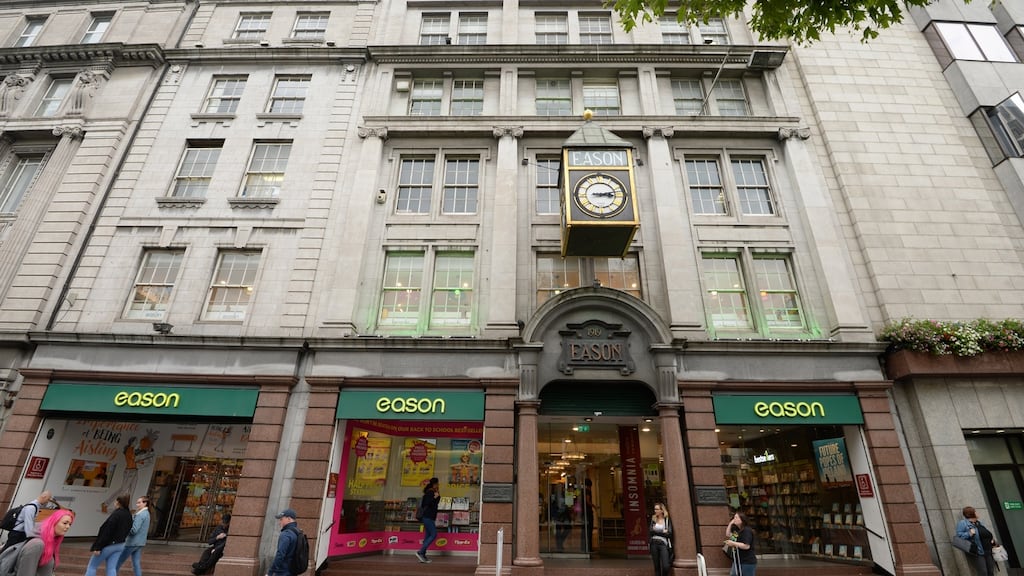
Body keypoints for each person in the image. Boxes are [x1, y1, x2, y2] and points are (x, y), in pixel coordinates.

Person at [0, 508, 74, 576]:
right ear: (53, 522)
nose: (68, 527)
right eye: (65, 523)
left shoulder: (48, 543)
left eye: (70, 524)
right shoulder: (37, 545)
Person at [85, 493, 132, 576]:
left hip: (109, 545)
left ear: (118, 502)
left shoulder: (116, 514)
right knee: (111, 568)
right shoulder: (128, 515)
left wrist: (98, 547)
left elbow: (107, 531)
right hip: (120, 544)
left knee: (92, 566)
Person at [956, 506, 997, 576]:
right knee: (983, 572)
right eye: (975, 511)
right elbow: (959, 536)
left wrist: (991, 540)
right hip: (978, 552)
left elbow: (985, 534)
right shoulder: (963, 523)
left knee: (990, 571)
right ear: (971, 513)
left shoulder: (979, 523)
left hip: (988, 550)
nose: (977, 513)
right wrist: (969, 533)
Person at [116, 496, 150, 576]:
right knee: (136, 563)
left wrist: (124, 528)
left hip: (132, 543)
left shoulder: (140, 515)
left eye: (139, 502)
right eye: (137, 502)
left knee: (118, 562)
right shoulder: (146, 513)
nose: (137, 504)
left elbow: (134, 530)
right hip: (139, 543)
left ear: (145, 503)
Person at [266, 509, 299, 576]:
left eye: (281, 519)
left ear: (289, 519)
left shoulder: (286, 534)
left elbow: (280, 554)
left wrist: (270, 572)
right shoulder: (298, 532)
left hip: (282, 571)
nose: (279, 522)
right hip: (293, 570)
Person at [416, 477, 440, 564]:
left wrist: (436, 497)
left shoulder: (431, 492)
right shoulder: (430, 492)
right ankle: (420, 552)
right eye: (437, 483)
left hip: (429, 517)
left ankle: (423, 555)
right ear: (435, 484)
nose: (438, 485)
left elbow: (434, 503)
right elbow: (428, 503)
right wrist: (435, 497)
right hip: (428, 516)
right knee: (433, 534)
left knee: (427, 536)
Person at [724, 511, 756, 576]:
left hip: (747, 561)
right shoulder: (737, 530)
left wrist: (733, 543)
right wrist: (730, 523)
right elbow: (728, 534)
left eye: (736, 517)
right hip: (737, 560)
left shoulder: (746, 530)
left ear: (742, 519)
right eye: (734, 517)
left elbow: (746, 546)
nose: (734, 519)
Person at [648, 503, 674, 576]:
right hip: (653, 543)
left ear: (662, 510)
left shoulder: (667, 520)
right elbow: (651, 531)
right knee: (657, 567)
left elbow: (669, 534)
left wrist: (656, 531)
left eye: (657, 509)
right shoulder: (653, 519)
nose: (655, 510)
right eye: (655, 509)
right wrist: (662, 531)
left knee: (666, 566)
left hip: (663, 544)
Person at [582, 479, 595, 553]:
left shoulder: (583, 491)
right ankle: (589, 547)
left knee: (585, 530)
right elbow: (588, 501)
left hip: (584, 512)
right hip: (588, 512)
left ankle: (584, 547)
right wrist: (594, 506)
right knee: (589, 530)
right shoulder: (587, 491)